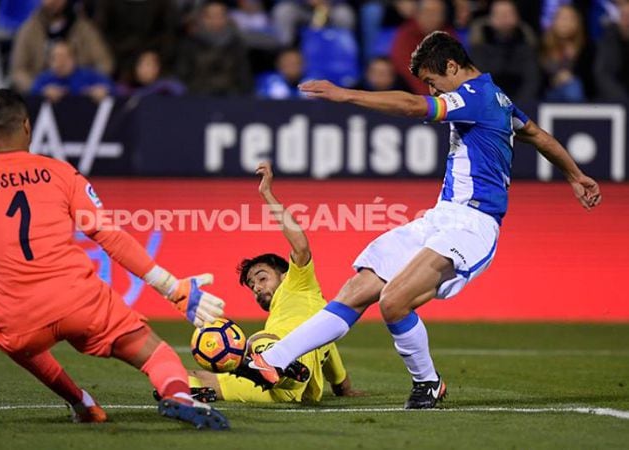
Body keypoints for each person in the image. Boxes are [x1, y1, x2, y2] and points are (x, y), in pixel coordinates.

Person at [235, 31, 602, 409]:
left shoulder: (474, 97)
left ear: (453, 66)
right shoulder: (498, 100)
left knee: (394, 302)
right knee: (355, 291)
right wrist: (574, 175)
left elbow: (413, 106)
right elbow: (538, 135)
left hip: (471, 225)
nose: (431, 90)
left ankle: (428, 383)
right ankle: (272, 360)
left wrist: (347, 94)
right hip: (440, 218)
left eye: (432, 81)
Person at [0, 89, 229, 430]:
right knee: (157, 354)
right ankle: (179, 396)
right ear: (27, 126)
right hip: (79, 302)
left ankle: (81, 403)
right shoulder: (60, 173)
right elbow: (108, 236)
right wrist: (173, 289)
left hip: (19, 320)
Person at [187, 161, 363, 403]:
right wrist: (343, 387)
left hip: (286, 365)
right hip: (274, 388)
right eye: (252, 286)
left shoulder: (298, 285)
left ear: (285, 275)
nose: (257, 287)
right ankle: (198, 390)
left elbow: (300, 246)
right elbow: (329, 349)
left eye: (261, 278)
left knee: (259, 341)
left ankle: (273, 366)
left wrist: (267, 193)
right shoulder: (316, 319)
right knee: (191, 376)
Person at [10, 0, 112, 93]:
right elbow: (18, 70)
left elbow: (105, 63)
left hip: (80, 95)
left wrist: (92, 84)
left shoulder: (84, 29)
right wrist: (39, 89)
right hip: (40, 96)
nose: (54, 2)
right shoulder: (29, 30)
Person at [468, 0, 540, 103]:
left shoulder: (526, 44)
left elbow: (532, 80)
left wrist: (517, 106)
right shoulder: (479, 45)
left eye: (508, 14)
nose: (504, 18)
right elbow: (479, 78)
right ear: (490, 18)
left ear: (517, 17)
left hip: (521, 105)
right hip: (488, 103)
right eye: (500, 14)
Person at [390, 0, 459, 95]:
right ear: (417, 14)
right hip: (411, 90)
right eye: (427, 12)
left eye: (436, 13)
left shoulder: (448, 35)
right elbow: (404, 66)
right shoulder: (406, 33)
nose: (431, 17)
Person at [30, 41, 118, 103]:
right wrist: (43, 94)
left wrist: (103, 92)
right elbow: (30, 97)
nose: (60, 62)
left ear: (73, 59)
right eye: (55, 58)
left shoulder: (89, 76)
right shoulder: (43, 79)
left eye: (64, 57)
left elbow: (114, 89)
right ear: (49, 61)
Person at [594, 0, 629, 101]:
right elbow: (602, 74)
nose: (625, 10)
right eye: (622, 8)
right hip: (617, 100)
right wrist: (624, 101)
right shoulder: (609, 35)